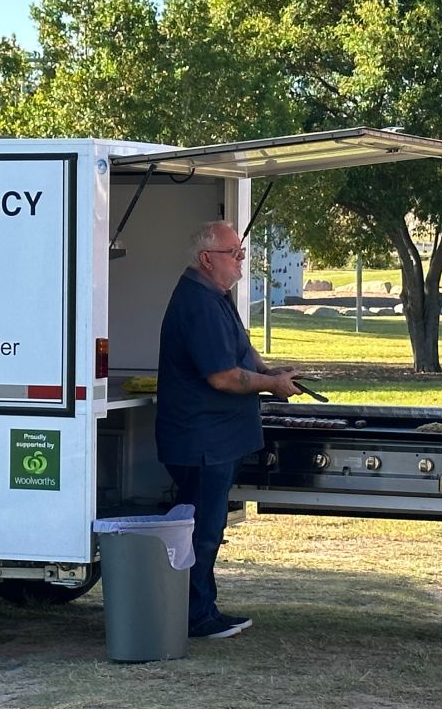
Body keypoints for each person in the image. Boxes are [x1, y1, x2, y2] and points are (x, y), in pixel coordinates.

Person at [155, 220, 302, 640]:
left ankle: (199, 609)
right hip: (202, 441)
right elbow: (221, 375)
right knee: (202, 531)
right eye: (233, 253)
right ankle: (194, 617)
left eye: (241, 252)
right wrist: (271, 385)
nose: (241, 260)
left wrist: (269, 371)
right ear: (207, 258)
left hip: (215, 439)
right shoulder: (198, 302)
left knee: (207, 527)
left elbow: (240, 347)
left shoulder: (215, 295)